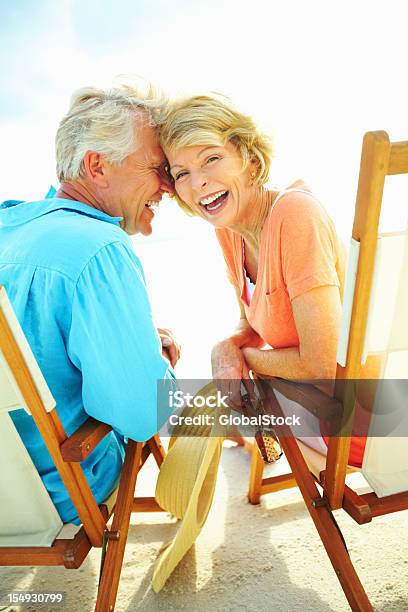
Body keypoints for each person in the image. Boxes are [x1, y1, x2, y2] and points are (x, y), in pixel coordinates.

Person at [0, 84, 180, 523]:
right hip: (51, 494)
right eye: (159, 168)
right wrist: (156, 363)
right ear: (97, 166)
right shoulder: (100, 250)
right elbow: (143, 414)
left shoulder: (8, 225)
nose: (168, 188)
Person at [158, 94, 366, 466]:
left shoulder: (294, 214)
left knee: (204, 403)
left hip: (354, 421)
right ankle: (244, 433)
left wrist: (244, 360)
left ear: (250, 160)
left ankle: (244, 434)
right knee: (211, 397)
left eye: (212, 158)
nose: (199, 182)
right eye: (181, 173)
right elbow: (252, 318)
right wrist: (227, 345)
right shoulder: (229, 229)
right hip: (313, 399)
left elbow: (320, 363)